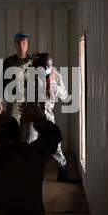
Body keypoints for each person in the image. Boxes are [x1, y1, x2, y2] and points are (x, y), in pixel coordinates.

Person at [30, 52, 79, 184]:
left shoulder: (56, 74)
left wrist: (54, 86)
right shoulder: (30, 75)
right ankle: (28, 175)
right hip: (33, 115)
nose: (46, 69)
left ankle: (63, 173)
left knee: (56, 145)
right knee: (30, 143)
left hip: (48, 114)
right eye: (43, 67)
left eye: (49, 66)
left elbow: (64, 96)